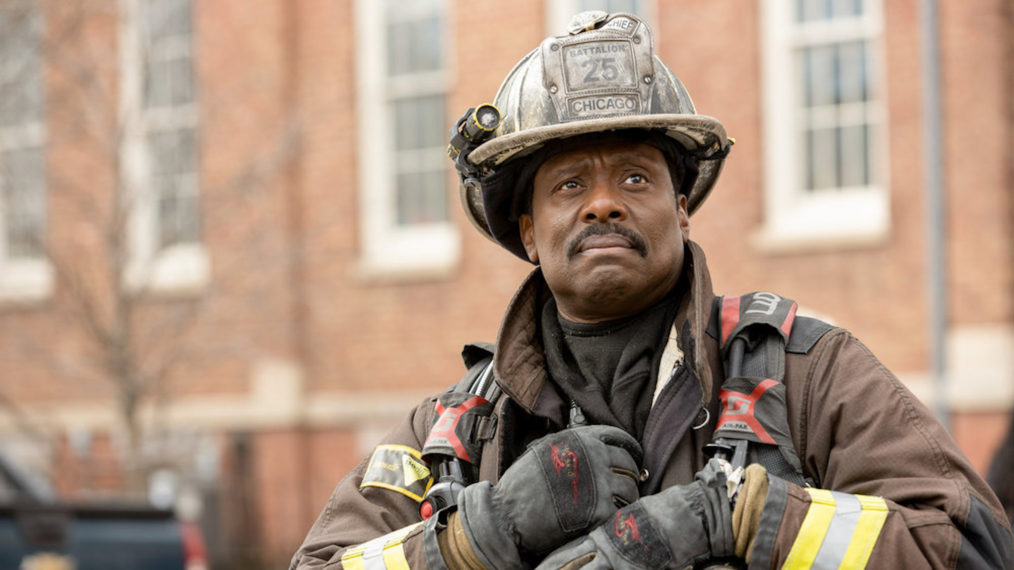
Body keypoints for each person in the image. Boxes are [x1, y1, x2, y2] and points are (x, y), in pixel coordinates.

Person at [291, 11, 1013, 569]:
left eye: (636, 178)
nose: (603, 204)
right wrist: (481, 532)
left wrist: (737, 515)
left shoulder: (806, 374)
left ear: (682, 207)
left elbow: (972, 546)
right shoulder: (451, 432)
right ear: (529, 233)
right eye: (570, 185)